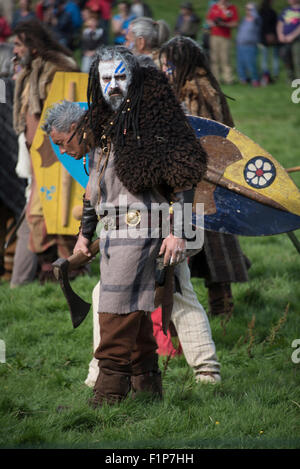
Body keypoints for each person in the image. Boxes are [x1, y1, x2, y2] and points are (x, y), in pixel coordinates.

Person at [45, 45, 208, 407]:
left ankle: (107, 396)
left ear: (132, 77)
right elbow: (94, 189)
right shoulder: (105, 126)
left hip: (146, 228)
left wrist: (178, 232)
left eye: (121, 76)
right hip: (115, 234)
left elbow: (183, 176)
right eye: (106, 78)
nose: (113, 85)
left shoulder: (156, 121)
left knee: (115, 306)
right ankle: (147, 387)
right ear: (97, 81)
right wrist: (85, 236)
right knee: (130, 305)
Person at [159, 36, 251, 318]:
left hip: (205, 182)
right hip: (197, 181)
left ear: (179, 64)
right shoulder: (193, 87)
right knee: (205, 247)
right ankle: (211, 311)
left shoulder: (196, 91)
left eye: (166, 65)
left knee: (213, 248)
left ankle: (221, 311)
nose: (163, 70)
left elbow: (207, 140)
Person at [10, 19, 79, 287]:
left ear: (33, 46)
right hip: (35, 155)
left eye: (18, 44)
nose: (14, 50)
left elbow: (66, 112)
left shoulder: (58, 70)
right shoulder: (29, 71)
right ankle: (52, 272)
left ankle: (67, 270)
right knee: (39, 214)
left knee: (47, 214)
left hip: (55, 157)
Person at [206, 0, 239, 84]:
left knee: (225, 58)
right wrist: (213, 23)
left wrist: (224, 24)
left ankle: (228, 79)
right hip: (214, 36)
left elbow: (235, 23)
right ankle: (215, 79)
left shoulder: (232, 8)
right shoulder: (214, 7)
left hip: (225, 36)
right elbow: (208, 19)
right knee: (214, 58)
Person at [236, 3, 262, 86]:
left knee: (251, 63)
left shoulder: (256, 19)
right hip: (240, 45)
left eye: (250, 9)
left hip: (250, 45)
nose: (248, 11)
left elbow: (256, 17)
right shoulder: (244, 19)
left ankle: (255, 79)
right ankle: (243, 79)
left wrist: (253, 9)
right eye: (247, 9)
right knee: (241, 64)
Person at [277, 0, 300, 82]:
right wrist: (280, 35)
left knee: (297, 59)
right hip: (285, 40)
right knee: (286, 57)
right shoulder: (286, 10)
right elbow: (280, 23)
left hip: (297, 40)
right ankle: (291, 78)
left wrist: (293, 36)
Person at [258, 0, 279, 85]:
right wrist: (272, 35)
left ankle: (265, 74)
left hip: (263, 38)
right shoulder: (272, 12)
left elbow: (260, 26)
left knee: (264, 58)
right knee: (273, 57)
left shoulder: (260, 12)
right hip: (272, 37)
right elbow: (275, 25)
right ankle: (274, 74)